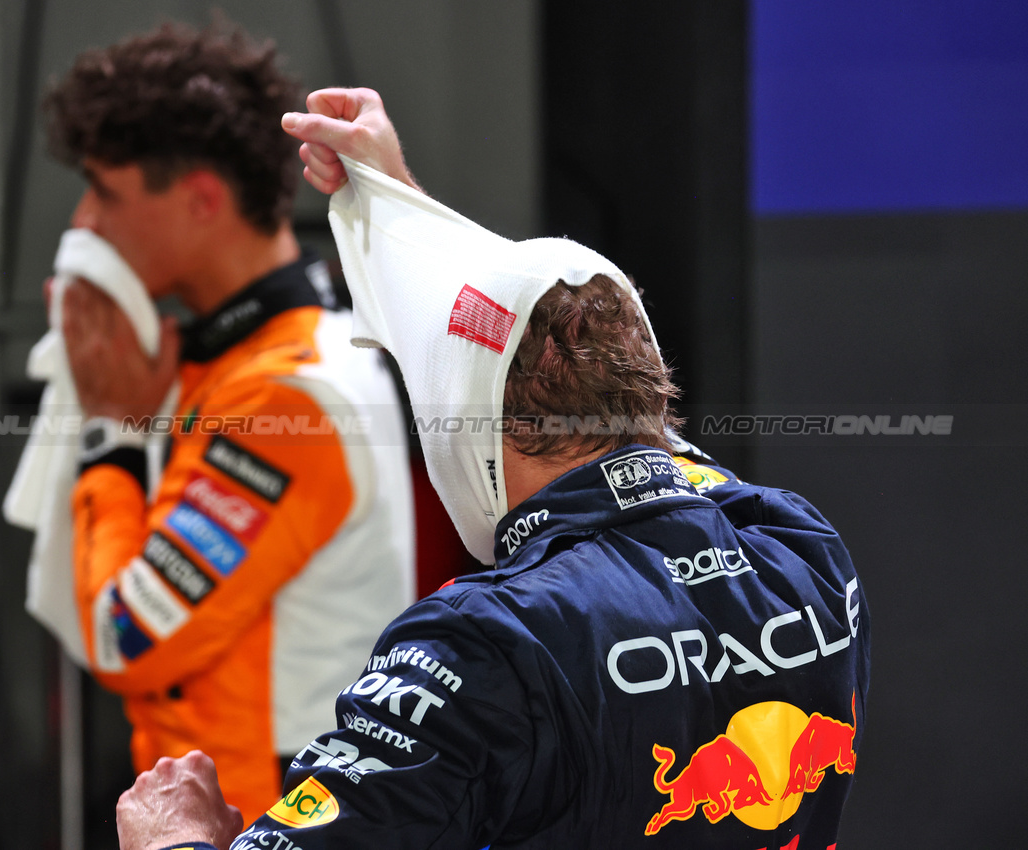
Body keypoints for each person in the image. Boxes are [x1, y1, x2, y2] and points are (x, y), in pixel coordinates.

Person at [115, 88, 870, 850]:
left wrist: (169, 838)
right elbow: (558, 359)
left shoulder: (485, 644)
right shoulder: (799, 547)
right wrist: (392, 202)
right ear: (645, 386)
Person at [45, 28, 416, 818]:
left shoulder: (290, 400)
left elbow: (126, 635)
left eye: (104, 193)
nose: (84, 224)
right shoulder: (239, 360)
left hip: (265, 822)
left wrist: (112, 432)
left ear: (201, 200)